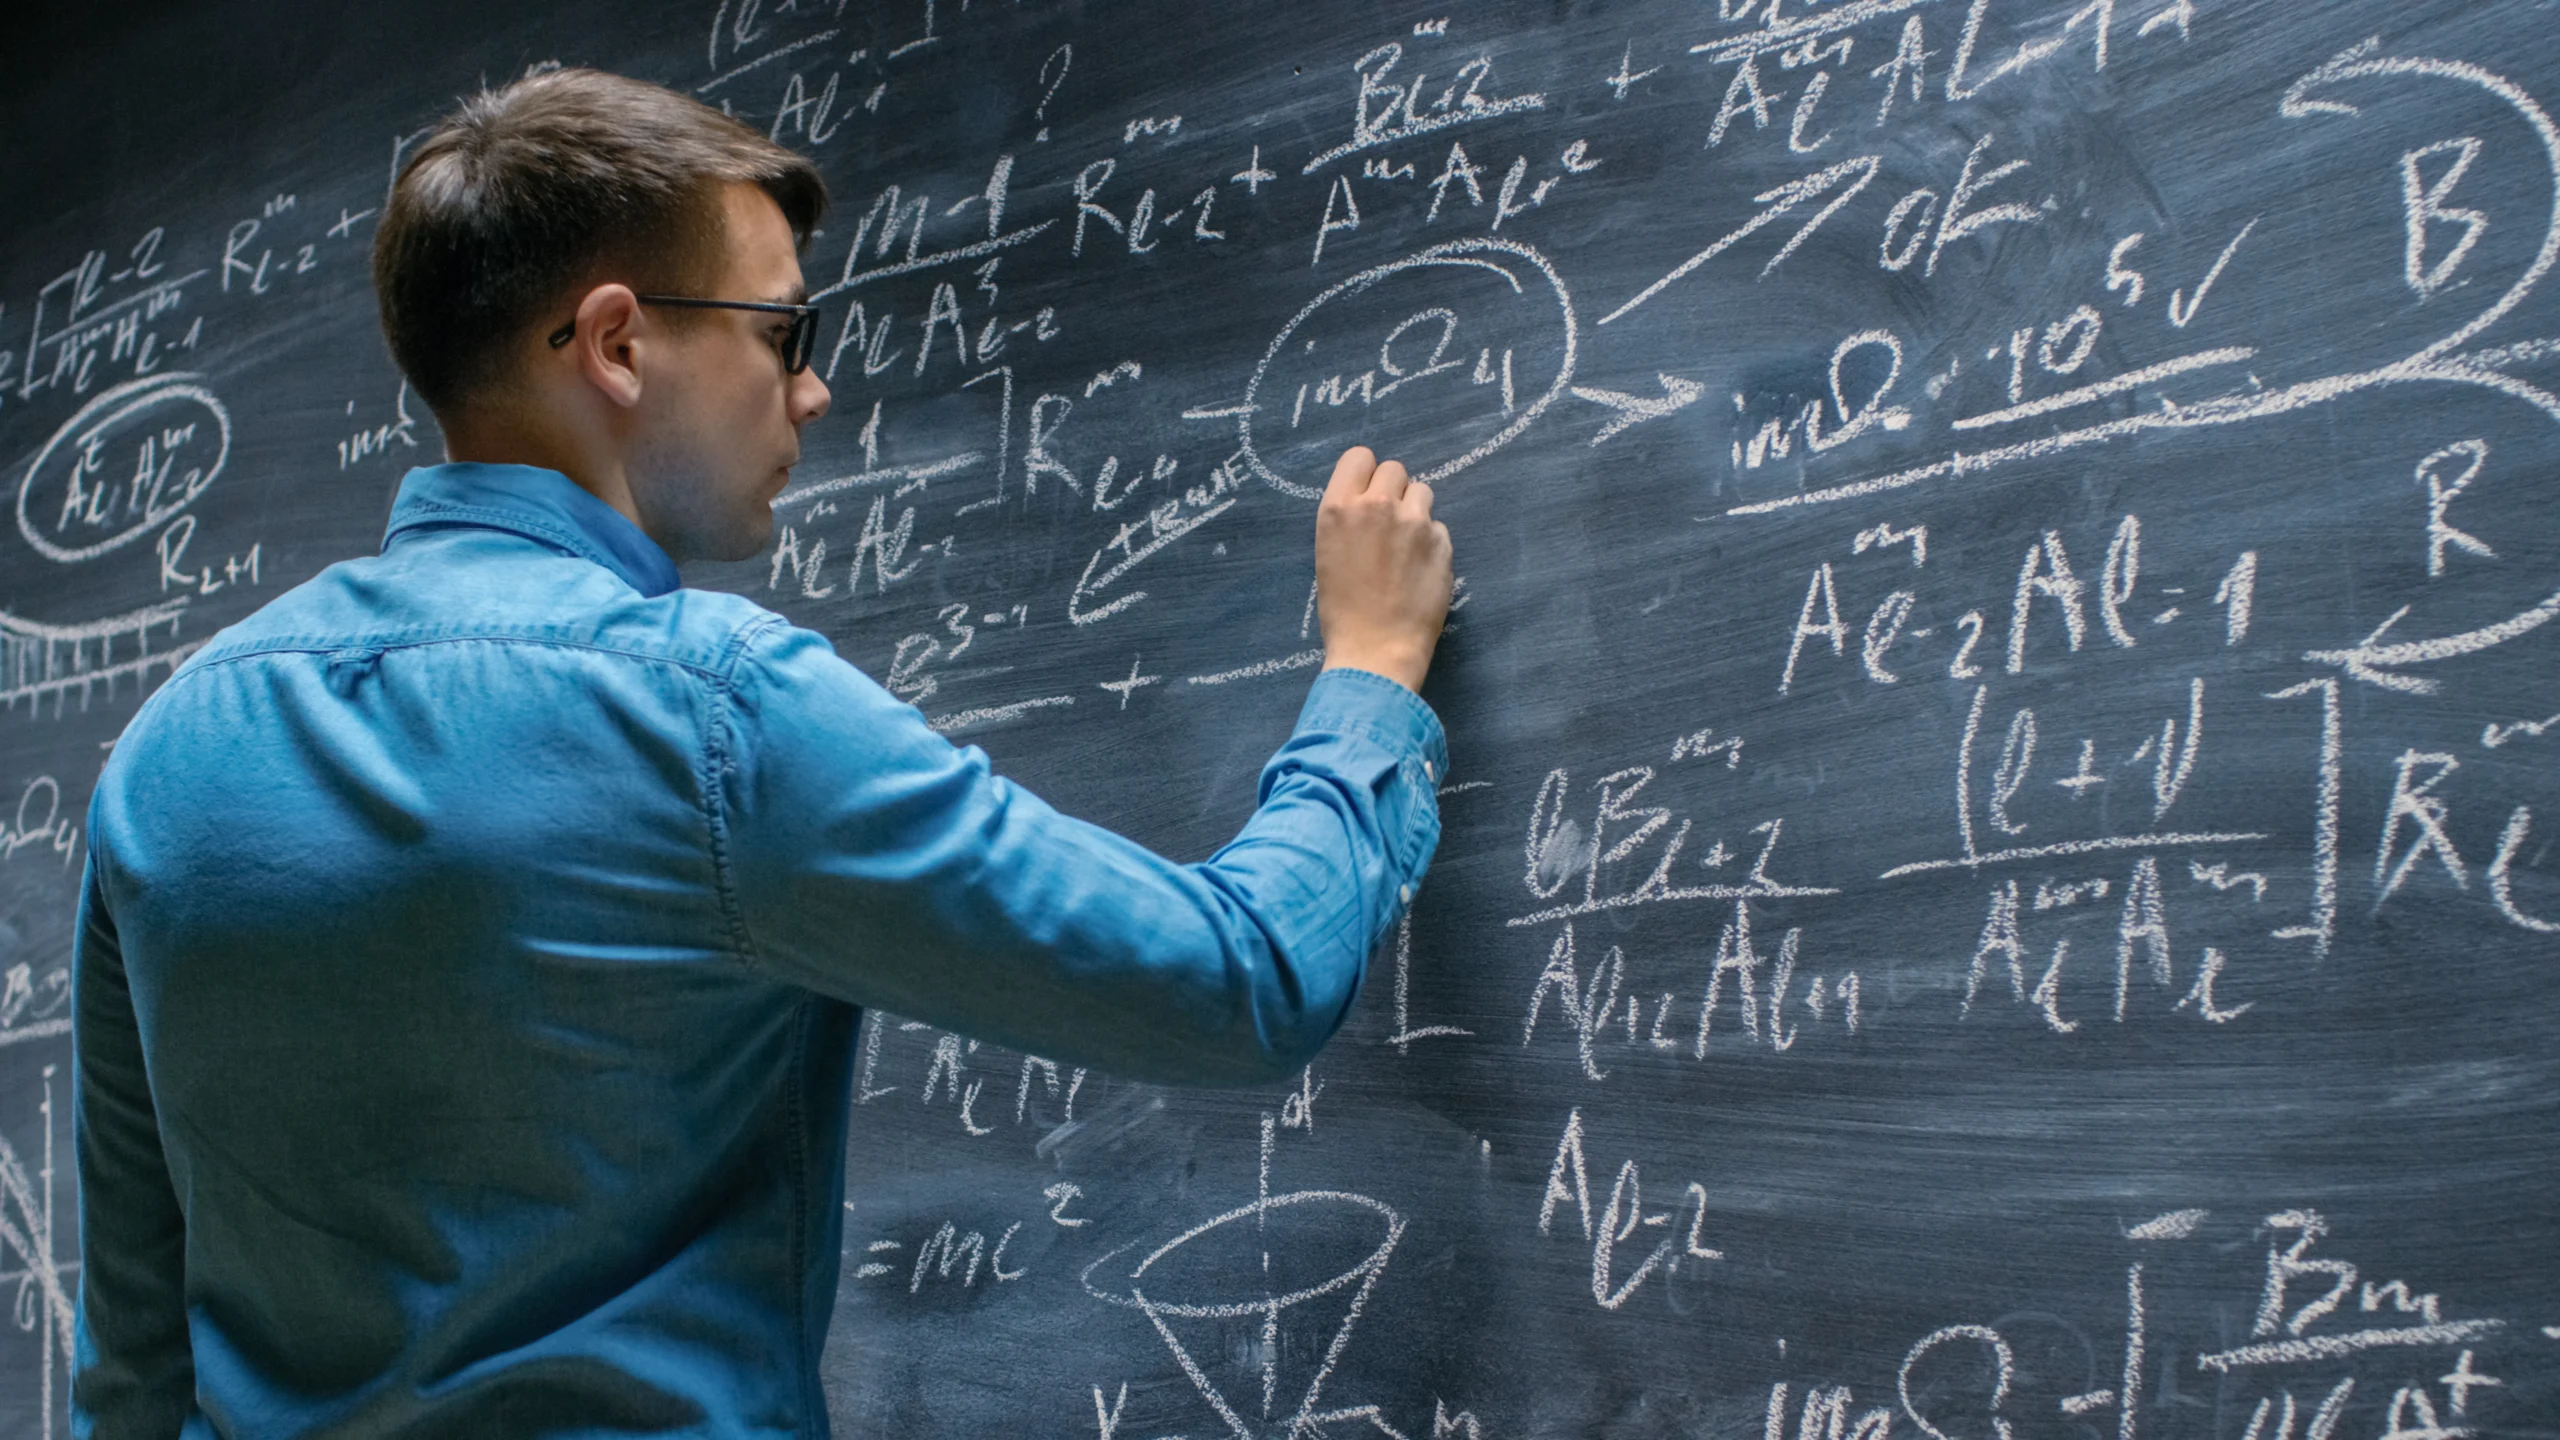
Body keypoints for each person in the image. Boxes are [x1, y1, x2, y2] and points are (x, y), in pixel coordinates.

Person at [71, 68, 1451, 1436]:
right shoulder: (716, 718)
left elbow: (130, 1370)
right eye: (785, 331)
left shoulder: (162, 758)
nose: (815, 391)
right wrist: (1372, 675)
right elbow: (1239, 981)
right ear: (617, 344)